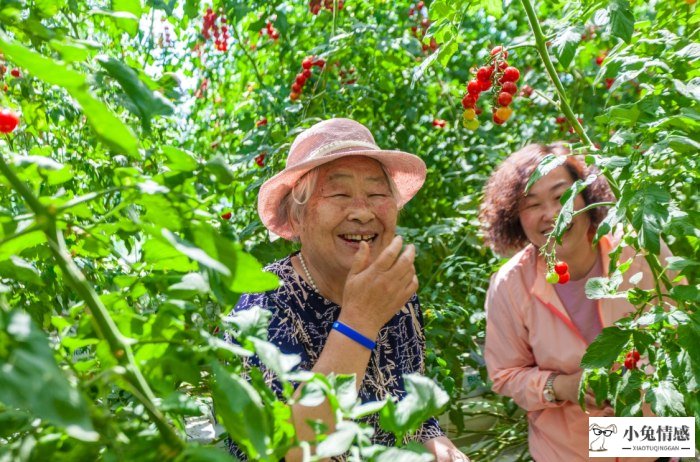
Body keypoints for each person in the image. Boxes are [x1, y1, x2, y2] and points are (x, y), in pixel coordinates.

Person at [228, 118, 469, 461]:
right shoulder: (263, 306)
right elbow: (293, 451)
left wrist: (439, 445)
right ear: (297, 219)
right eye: (339, 193)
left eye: (377, 194)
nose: (361, 211)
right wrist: (360, 321)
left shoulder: (393, 292)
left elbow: (408, 406)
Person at [479, 142, 661, 462]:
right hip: (568, 453)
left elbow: (681, 331)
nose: (552, 214)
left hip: (652, 441)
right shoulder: (510, 286)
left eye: (561, 195)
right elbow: (504, 375)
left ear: (586, 196)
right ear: (514, 215)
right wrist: (562, 387)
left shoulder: (639, 252)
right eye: (532, 204)